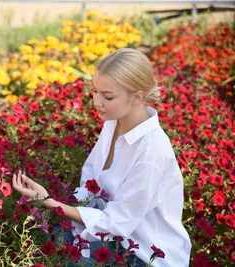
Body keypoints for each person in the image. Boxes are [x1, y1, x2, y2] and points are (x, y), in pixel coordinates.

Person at [12, 48, 192, 266]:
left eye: (108, 96)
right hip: (112, 235)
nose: (96, 102)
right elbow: (91, 178)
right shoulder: (113, 124)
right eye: (95, 91)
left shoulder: (151, 152)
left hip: (145, 254)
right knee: (50, 241)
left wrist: (49, 202)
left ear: (137, 97)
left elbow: (118, 222)